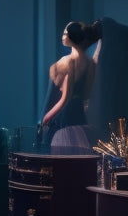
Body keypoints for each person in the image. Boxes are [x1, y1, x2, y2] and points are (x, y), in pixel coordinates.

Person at [41, 20, 102, 152]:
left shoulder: (67, 63)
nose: (63, 36)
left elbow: (64, 99)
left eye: (65, 33)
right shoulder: (90, 64)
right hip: (80, 116)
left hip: (65, 117)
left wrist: (46, 117)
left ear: (71, 37)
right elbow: (86, 94)